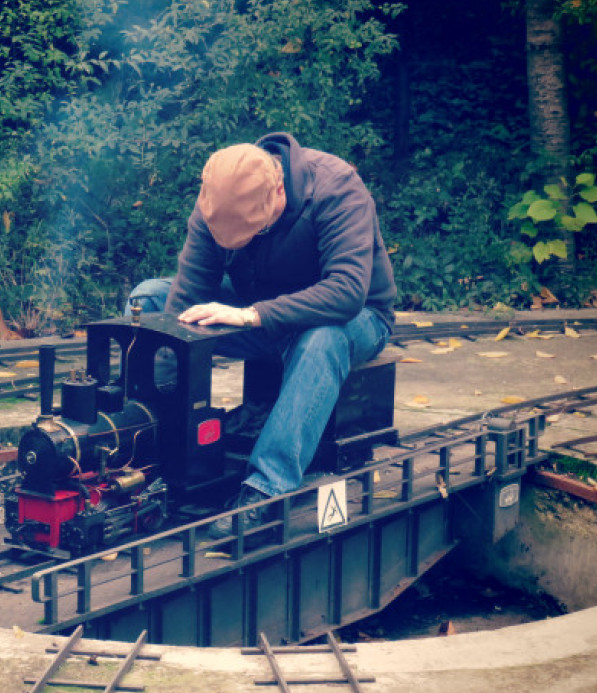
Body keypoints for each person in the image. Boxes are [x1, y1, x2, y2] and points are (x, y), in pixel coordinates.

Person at [128, 133, 396, 539]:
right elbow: (186, 297)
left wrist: (252, 315)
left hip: (353, 319)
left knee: (320, 339)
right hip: (259, 315)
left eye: (254, 231)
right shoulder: (218, 202)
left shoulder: (336, 188)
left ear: (278, 191)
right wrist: (163, 395)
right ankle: (150, 445)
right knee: (150, 300)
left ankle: (266, 490)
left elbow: (346, 292)